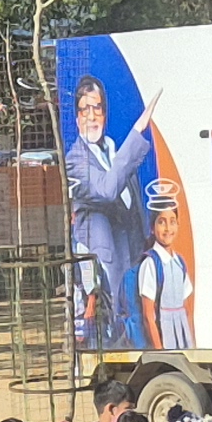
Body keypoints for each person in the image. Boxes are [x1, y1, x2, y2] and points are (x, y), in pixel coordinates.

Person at [63, 74, 161, 351]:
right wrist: (138, 130)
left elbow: (132, 204)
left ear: (105, 113)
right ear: (77, 117)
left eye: (97, 108)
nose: (91, 116)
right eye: (84, 109)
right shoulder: (76, 161)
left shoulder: (113, 151)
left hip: (133, 267)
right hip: (106, 286)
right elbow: (107, 189)